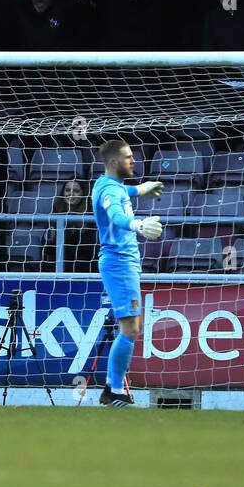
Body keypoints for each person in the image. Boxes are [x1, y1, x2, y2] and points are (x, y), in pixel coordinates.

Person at [91, 140, 164, 407]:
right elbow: (116, 215)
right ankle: (115, 391)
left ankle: (112, 388)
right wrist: (139, 224)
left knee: (132, 327)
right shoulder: (108, 191)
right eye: (128, 157)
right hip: (119, 264)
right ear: (113, 162)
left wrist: (143, 188)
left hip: (124, 263)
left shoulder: (108, 184)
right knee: (130, 329)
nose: (133, 161)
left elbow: (125, 192)